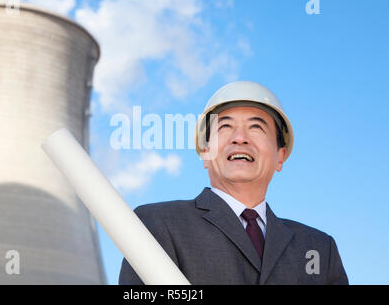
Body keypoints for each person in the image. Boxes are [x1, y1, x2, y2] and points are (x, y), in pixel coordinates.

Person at [119, 81, 348, 285]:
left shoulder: (319, 248)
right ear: (206, 153)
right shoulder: (158, 224)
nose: (240, 137)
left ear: (280, 156)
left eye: (256, 127)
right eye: (225, 126)